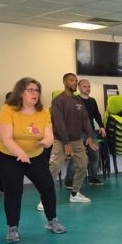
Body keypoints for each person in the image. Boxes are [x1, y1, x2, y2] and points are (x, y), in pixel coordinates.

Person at [0, 77, 66, 243]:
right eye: (30, 90)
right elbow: (5, 138)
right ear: (20, 93)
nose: (35, 93)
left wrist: (46, 142)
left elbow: (49, 135)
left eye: (37, 90)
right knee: (14, 190)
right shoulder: (8, 109)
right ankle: (12, 227)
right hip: (8, 155)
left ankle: (52, 220)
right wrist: (20, 152)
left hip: (35, 154)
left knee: (47, 186)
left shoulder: (43, 111)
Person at [44, 73, 98, 207]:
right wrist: (66, 142)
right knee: (54, 168)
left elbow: (85, 119)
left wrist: (90, 136)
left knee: (83, 164)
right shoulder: (58, 101)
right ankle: (44, 198)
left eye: (76, 80)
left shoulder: (78, 100)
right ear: (64, 82)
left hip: (77, 140)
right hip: (61, 141)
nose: (74, 83)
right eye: (71, 80)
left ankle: (75, 193)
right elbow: (58, 123)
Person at [64, 79, 106, 187]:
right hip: (77, 133)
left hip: (91, 132)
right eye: (85, 86)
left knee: (95, 155)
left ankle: (93, 177)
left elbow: (97, 115)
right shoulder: (74, 100)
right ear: (79, 88)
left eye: (89, 86)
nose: (87, 89)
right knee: (77, 156)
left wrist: (101, 126)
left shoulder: (92, 101)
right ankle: (69, 179)